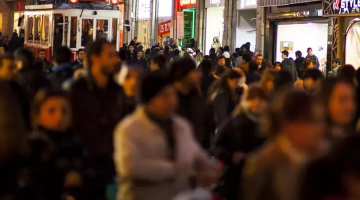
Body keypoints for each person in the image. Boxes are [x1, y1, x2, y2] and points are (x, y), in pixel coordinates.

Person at [114, 72, 216, 200]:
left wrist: (210, 168)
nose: (173, 101)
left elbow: (196, 154)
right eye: (165, 96)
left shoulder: (181, 126)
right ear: (150, 100)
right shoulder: (129, 129)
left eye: (173, 95)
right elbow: (131, 168)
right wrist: (179, 170)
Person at [242, 90, 325, 200]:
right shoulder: (263, 167)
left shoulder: (319, 157)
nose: (321, 128)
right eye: (312, 121)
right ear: (289, 125)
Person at [68, 39, 123, 200]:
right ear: (95, 58)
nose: (116, 60)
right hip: (84, 170)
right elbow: (69, 130)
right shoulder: (76, 91)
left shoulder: (118, 92)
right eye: (110, 55)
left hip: (112, 168)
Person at [213, 86, 269, 200]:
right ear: (245, 102)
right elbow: (216, 147)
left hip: (263, 179)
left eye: (261, 100)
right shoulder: (234, 123)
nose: (257, 103)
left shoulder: (270, 125)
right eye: (253, 99)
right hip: (237, 179)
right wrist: (231, 156)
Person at [29, 89, 84, 200]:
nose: (59, 116)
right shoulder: (35, 146)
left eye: (64, 111)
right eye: (51, 111)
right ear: (38, 116)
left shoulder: (76, 143)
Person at [169, 58, 208, 148]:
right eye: (195, 71)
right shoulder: (168, 100)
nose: (199, 75)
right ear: (184, 73)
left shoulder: (196, 96)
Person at [317, 77, 356, 146]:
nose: (350, 107)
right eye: (342, 100)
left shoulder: (353, 140)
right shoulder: (314, 142)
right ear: (326, 101)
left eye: (352, 100)